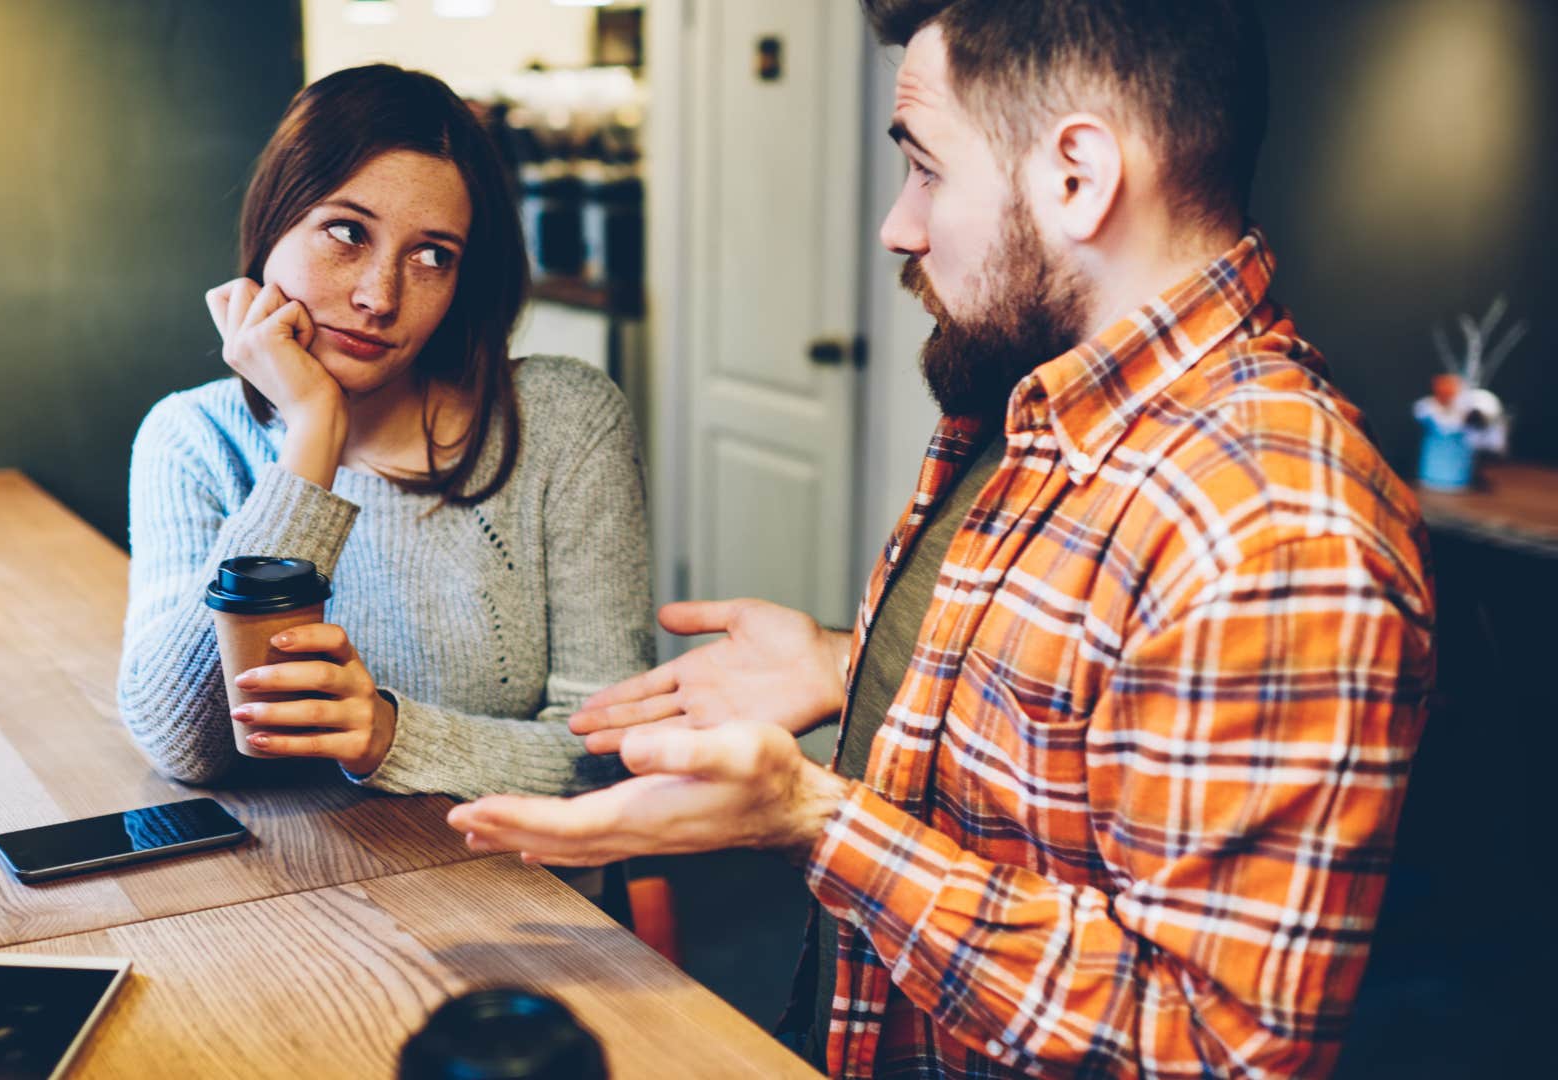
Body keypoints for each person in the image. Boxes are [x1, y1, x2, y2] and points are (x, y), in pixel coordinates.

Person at [448, 2, 1434, 1076]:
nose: (900, 225)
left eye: (926, 168)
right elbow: (1078, 696)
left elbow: (1210, 1045)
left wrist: (814, 819)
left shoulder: (1274, 529)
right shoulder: (1034, 397)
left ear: (1077, 176)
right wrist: (849, 660)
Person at [119, 64, 651, 801]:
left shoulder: (566, 421)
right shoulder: (194, 436)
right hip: (291, 893)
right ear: (274, 221)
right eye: (346, 232)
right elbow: (181, 740)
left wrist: (388, 736)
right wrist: (312, 440)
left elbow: (609, 756)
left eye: (433, 255)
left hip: (512, 895)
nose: (378, 297)